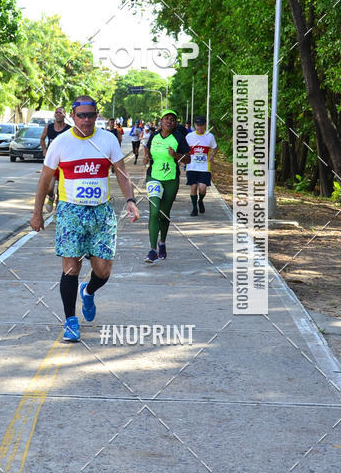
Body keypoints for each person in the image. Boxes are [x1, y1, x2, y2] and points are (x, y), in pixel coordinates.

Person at [30, 95, 139, 342]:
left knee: (103, 270)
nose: (87, 120)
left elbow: (121, 173)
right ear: (73, 116)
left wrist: (130, 200)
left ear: (96, 115)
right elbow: (44, 179)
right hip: (71, 212)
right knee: (71, 268)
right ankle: (70, 320)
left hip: (101, 212)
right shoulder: (61, 143)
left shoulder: (108, 139)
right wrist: (37, 213)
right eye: (81, 116)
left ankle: (88, 291)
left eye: (91, 115)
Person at [142, 109, 190, 263]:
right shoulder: (154, 136)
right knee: (154, 211)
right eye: (166, 118)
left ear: (175, 123)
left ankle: (162, 242)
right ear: (161, 121)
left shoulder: (179, 137)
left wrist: (176, 155)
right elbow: (149, 154)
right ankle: (152, 250)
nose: (169, 121)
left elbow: (188, 159)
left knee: (164, 214)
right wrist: (146, 157)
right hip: (153, 177)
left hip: (171, 179)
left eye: (172, 119)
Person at [186, 115, 217, 215]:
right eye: (197, 125)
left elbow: (215, 147)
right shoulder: (189, 136)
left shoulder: (209, 136)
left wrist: (212, 155)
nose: (199, 127)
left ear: (205, 125)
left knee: (203, 189)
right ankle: (194, 208)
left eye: (201, 125)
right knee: (193, 187)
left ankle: (200, 200)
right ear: (195, 125)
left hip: (204, 167)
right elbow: (184, 149)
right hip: (192, 166)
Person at [40, 107, 70, 208]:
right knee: (49, 188)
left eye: (60, 113)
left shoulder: (69, 129)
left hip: (64, 161)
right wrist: (44, 151)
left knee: (60, 190)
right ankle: (51, 197)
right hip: (52, 161)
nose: (58, 114)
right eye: (56, 112)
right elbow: (42, 139)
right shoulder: (48, 127)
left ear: (65, 115)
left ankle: (58, 210)